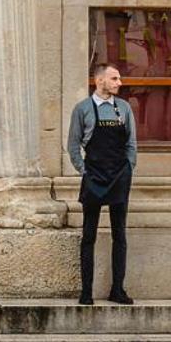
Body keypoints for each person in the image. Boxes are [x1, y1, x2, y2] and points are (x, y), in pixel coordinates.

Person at [67, 62, 137, 305]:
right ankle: (86, 292)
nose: (120, 83)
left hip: (119, 177)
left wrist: (128, 170)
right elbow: (73, 145)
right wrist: (84, 170)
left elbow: (131, 144)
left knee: (120, 234)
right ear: (99, 81)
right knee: (89, 235)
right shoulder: (82, 109)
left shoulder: (124, 108)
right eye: (114, 78)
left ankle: (117, 289)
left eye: (119, 78)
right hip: (94, 177)